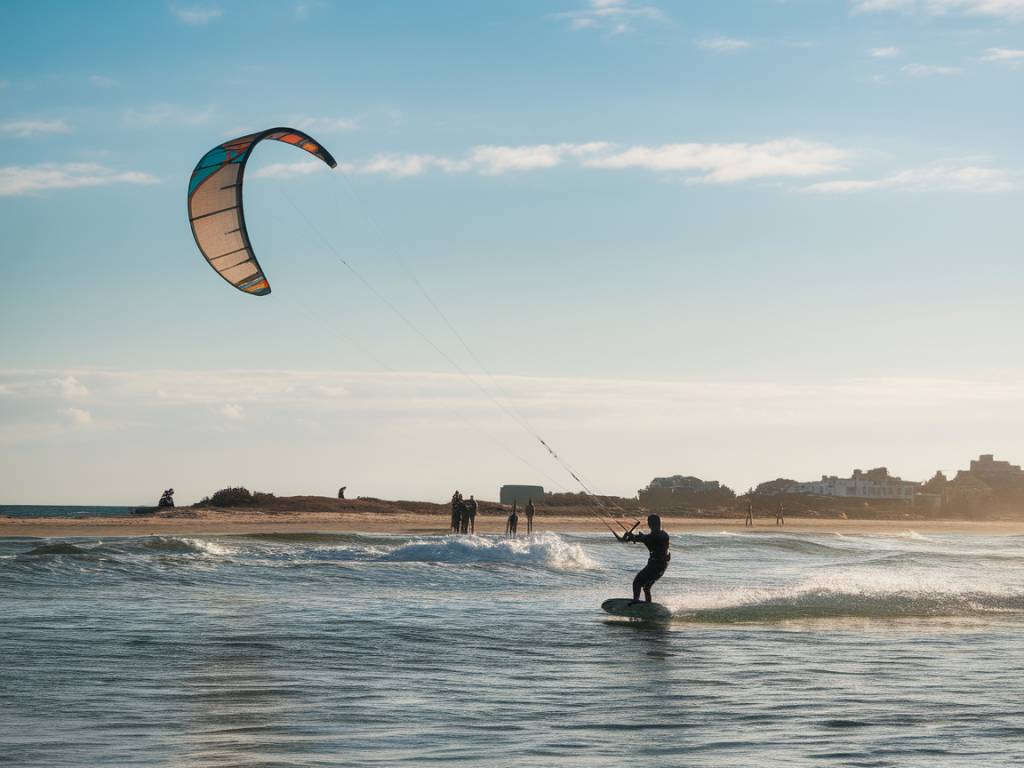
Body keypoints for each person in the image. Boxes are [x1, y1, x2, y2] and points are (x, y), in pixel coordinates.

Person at [618, 514, 671, 603]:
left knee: (637, 582)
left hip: (656, 565)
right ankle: (647, 605)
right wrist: (630, 538)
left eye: (649, 523)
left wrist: (634, 538)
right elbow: (646, 539)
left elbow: (648, 538)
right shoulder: (661, 534)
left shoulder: (659, 535)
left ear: (650, 524)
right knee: (646, 586)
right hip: (661, 565)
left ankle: (635, 601)